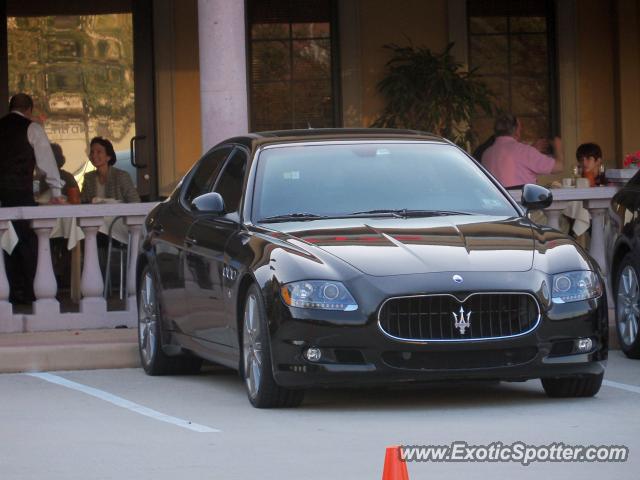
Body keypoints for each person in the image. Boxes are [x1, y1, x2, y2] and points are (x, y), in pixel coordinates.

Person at [0, 93, 65, 304]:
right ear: (29, 109)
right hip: (20, 193)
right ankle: (29, 293)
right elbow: (46, 161)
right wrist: (56, 191)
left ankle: (8, 292)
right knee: (26, 243)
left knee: (4, 244)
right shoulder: (32, 127)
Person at [481, 113, 564, 189]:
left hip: (498, 203)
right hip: (520, 204)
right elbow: (559, 167)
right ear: (517, 131)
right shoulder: (525, 151)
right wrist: (558, 146)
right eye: (520, 128)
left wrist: (533, 149)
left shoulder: (486, 154)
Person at [80, 136, 140, 204]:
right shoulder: (89, 177)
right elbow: (83, 202)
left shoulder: (121, 176)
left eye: (99, 152)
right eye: (92, 152)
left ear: (108, 157)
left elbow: (135, 202)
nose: (94, 155)